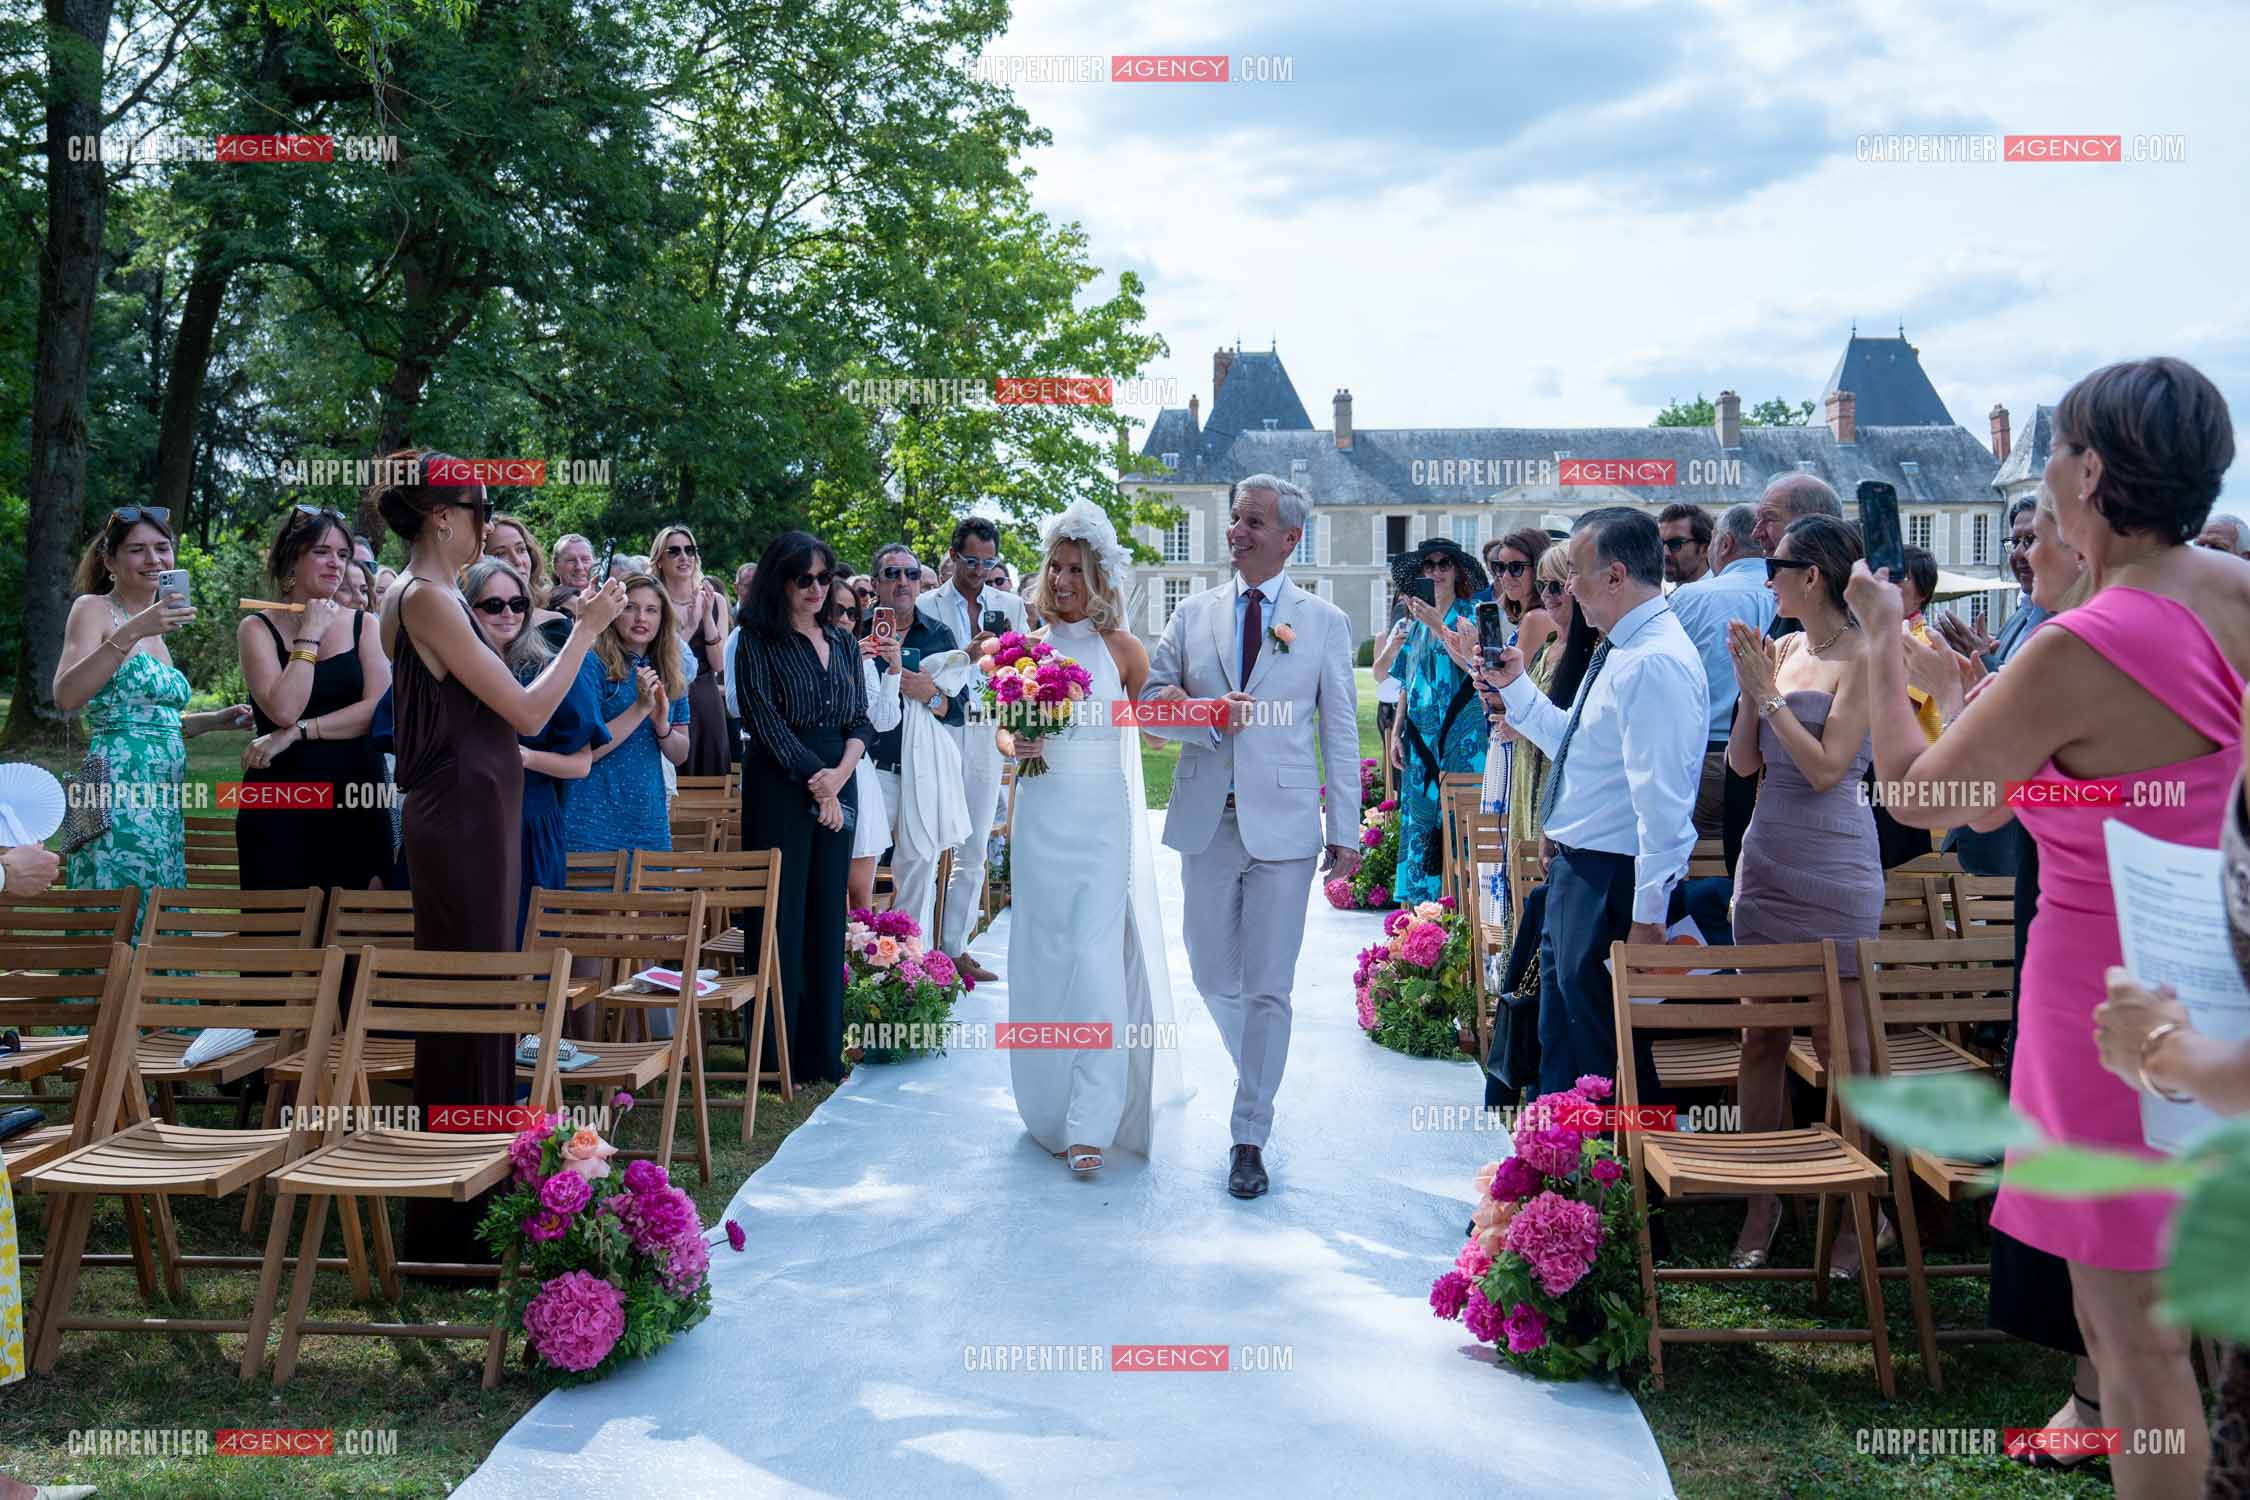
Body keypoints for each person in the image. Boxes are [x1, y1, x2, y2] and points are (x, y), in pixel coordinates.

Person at [1848, 357, 2245, 1500]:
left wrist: (1883, 641)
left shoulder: (2080, 645)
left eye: (2053, 460)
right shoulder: (2234, 594)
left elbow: (1924, 800)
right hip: (2228, 983)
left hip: (2109, 1006)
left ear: (2090, 473)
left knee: (2133, 1338)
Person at [374, 450, 625, 1269]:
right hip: (464, 815)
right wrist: (585, 631)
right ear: (442, 516)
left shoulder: (427, 596)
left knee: (482, 997)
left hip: (478, 809)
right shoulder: (425, 599)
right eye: (480, 510)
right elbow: (523, 707)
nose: (489, 524)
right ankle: (461, 1221)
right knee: (471, 1002)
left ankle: (476, 1203)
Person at [1140, 472, 1360, 1199]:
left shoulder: (1322, 620)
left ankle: (1249, 1135)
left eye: (1254, 522)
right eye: (1235, 519)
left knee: (1269, 988)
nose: (1237, 531)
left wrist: (1348, 831)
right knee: (1209, 975)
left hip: (1288, 831)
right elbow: (1150, 705)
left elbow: (1339, 727)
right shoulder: (1193, 614)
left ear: (1290, 538)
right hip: (1207, 820)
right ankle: (1259, 1073)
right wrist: (1206, 713)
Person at [1485, 507, 1706, 1097]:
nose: (1566, 587)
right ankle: (1565, 1173)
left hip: (1615, 881)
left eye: (1576, 572)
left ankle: (1599, 1180)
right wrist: (1515, 688)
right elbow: (1575, 746)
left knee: (1598, 1057)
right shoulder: (1621, 648)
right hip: (1587, 873)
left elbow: (1664, 808)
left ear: (1614, 575)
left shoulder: (1651, 660)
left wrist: (1648, 920)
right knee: (1568, 1043)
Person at [997, 503, 1181, 1175]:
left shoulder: (1122, 651)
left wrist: (1212, 711)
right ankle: (1048, 1107)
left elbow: (1157, 730)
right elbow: (1001, 729)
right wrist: (1014, 740)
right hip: (1042, 816)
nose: (1064, 579)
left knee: (1096, 956)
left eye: (1076, 568)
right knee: (1043, 957)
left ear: (1099, 575)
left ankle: (1092, 1123)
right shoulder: (1026, 646)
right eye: (1055, 566)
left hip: (1103, 822)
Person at [1723, 515, 1883, 1273]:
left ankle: (1858, 1215)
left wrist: (1772, 697)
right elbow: (1745, 764)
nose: (1767, 581)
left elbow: (1828, 769)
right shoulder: (1782, 650)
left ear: (1811, 575)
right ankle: (1764, 1202)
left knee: (1841, 1050)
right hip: (1768, 863)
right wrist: (1753, 692)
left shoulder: (1866, 657)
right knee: (1761, 1039)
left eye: (1775, 567)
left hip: (1836, 868)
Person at [734, 532, 873, 1088]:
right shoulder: (756, 641)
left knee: (824, 916)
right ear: (780, 581)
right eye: (804, 579)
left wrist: (838, 779)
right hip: (781, 788)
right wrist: (821, 789)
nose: (817, 589)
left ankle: (820, 1054)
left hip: (841, 781)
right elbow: (763, 723)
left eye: (824, 578)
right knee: (781, 918)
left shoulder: (841, 643)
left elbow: (861, 720)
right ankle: (774, 1057)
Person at [53, 507, 252, 897]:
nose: (153, 560)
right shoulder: (94, 609)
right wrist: (132, 631)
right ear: (109, 561)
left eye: (162, 548)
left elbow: (149, 720)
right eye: (136, 550)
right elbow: (66, 695)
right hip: (112, 794)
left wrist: (214, 719)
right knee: (121, 907)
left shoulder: (158, 630)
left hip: (164, 798)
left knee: (159, 906)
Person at [234, 504, 393, 893]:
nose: (335, 564)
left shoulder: (364, 624)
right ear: (292, 559)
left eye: (342, 555)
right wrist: (310, 634)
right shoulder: (257, 626)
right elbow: (284, 707)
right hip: (281, 800)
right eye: (322, 552)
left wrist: (299, 732)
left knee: (353, 931)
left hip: (356, 793)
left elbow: (378, 709)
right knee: (283, 933)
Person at [461, 558, 610, 946]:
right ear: (465, 608)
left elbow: (580, 764)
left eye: (518, 604)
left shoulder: (548, 666)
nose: (508, 613)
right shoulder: (445, 668)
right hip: (461, 826)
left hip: (530, 826)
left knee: (528, 955)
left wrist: (522, 758)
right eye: (493, 605)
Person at [919, 517, 1028, 981]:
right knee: (927, 846)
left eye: (989, 562)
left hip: (985, 732)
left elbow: (1023, 666)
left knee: (975, 844)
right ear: (952, 556)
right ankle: (920, 952)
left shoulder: (1011, 605)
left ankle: (955, 947)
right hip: (937, 730)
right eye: (971, 561)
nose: (980, 571)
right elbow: (927, 669)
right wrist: (965, 651)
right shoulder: (926, 604)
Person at [848, 545, 961, 929]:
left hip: (920, 768)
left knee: (918, 872)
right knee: (857, 872)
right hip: (868, 769)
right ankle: (859, 968)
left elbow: (958, 710)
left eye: (911, 574)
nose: (903, 582)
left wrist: (926, 692)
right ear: (875, 582)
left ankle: (914, 973)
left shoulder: (939, 634)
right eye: (892, 574)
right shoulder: (852, 628)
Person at [1386, 537, 1490, 904]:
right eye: (1428, 566)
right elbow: (1406, 681)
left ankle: (1457, 914)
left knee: (1455, 829)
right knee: (1419, 825)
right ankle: (1419, 920)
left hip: (1461, 741)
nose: (1436, 572)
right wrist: (1398, 731)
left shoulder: (1472, 614)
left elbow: (1478, 668)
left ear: (1457, 570)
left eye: (1444, 564)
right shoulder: (1414, 625)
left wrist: (1435, 626)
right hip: (1419, 741)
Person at [563, 576, 693, 863]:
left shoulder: (671, 669)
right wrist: (640, 709)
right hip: (593, 809)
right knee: (594, 905)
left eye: (651, 610)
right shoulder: (591, 663)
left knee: (652, 903)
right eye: (630, 607)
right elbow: (583, 753)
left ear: (663, 618)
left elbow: (680, 754)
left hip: (647, 812)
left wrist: (662, 727)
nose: (640, 618)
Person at [1671, 501, 1778, 844]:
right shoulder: (1792, 595)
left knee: (1692, 869)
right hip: (1777, 758)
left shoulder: (1688, 598)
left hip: (1702, 759)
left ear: (1725, 543)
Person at [829, 575, 900, 912]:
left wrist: (893, 671)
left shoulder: (866, 661)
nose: (844, 619)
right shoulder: (805, 654)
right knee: (829, 894)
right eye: (837, 610)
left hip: (861, 774)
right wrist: (847, 664)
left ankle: (859, 963)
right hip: (823, 774)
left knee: (860, 895)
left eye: (852, 613)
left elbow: (883, 721)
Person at [651, 524, 733, 778]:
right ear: (660, 560)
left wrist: (707, 618)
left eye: (689, 550)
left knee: (708, 774)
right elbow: (659, 660)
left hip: (704, 696)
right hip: (666, 695)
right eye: (674, 551)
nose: (684, 557)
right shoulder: (652, 601)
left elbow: (720, 665)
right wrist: (689, 627)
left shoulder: (715, 600)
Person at [1936, 496, 2048, 672]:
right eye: (2016, 541)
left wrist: (1981, 657)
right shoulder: (2021, 615)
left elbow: (2032, 695)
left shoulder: (2068, 622)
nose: (2019, 553)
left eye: (2031, 539)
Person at [484, 513, 569, 647]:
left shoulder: (557, 626)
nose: (517, 561)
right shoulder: (468, 624)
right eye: (500, 554)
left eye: (521, 550)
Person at [1658, 502, 1714, 586]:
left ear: (1705, 549)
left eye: (1675, 543)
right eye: (1659, 543)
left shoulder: (1720, 596)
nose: (1665, 553)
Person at [552, 533, 596, 603]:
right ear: (555, 566)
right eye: (571, 560)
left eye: (585, 559)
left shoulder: (609, 600)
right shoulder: (544, 603)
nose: (579, 567)